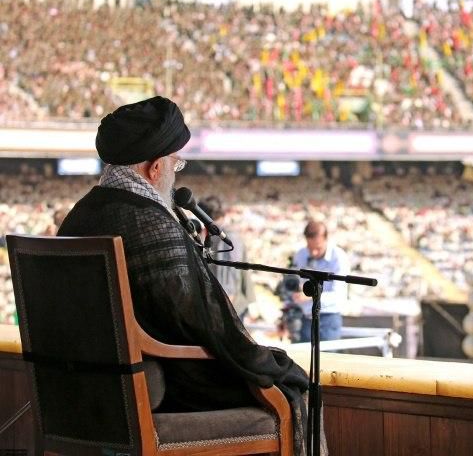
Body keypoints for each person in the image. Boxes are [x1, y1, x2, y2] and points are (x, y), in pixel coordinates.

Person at [57, 96, 315, 453]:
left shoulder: (78, 217)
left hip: (76, 396)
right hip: (159, 394)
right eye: (176, 164)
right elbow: (199, 319)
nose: (175, 173)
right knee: (291, 387)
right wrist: (263, 361)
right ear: (155, 168)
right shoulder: (150, 224)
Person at [292, 220, 350, 342]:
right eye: (310, 248)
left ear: (326, 239)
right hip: (305, 318)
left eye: (318, 248)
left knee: (326, 355)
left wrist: (309, 296)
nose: (313, 252)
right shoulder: (301, 255)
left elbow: (338, 296)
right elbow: (294, 286)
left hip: (328, 319)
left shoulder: (339, 258)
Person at [198, 195, 252, 320]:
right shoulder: (221, 234)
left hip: (227, 308)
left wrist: (220, 314)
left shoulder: (224, 237)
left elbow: (227, 284)